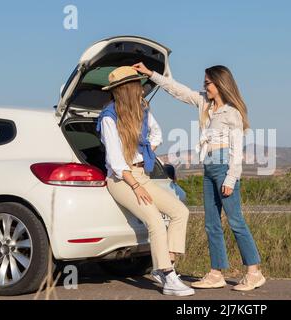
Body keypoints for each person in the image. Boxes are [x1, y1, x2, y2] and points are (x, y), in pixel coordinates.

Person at [132, 62, 266, 291]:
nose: (205, 87)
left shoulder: (231, 112)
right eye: (204, 83)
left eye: (208, 83)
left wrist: (231, 179)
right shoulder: (205, 103)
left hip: (224, 165)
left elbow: (237, 150)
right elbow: (178, 90)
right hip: (209, 165)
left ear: (221, 83)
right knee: (211, 223)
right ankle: (216, 273)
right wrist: (151, 74)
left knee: (236, 221)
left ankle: (254, 272)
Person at [96, 66, 195, 296]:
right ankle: (168, 278)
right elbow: (115, 161)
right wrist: (135, 185)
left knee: (180, 212)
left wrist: (147, 149)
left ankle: (165, 265)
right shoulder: (109, 117)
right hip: (122, 180)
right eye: (137, 85)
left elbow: (157, 133)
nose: (142, 89)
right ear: (127, 89)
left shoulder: (143, 110)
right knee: (156, 222)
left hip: (142, 175)